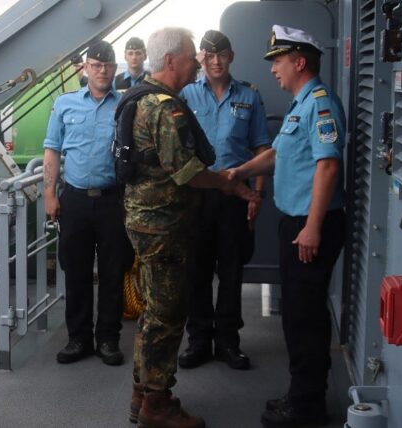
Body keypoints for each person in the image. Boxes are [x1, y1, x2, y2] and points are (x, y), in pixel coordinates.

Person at [122, 27, 260, 427]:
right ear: (171, 61)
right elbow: (188, 173)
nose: (196, 63)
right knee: (166, 316)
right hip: (165, 227)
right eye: (190, 56)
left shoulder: (137, 96)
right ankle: (158, 405)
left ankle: (140, 390)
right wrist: (229, 185)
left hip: (143, 221)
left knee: (151, 312)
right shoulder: (166, 107)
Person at [228, 25, 346, 428]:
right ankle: (302, 394)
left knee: (304, 317)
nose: (274, 69)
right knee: (297, 314)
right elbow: (278, 155)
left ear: (299, 61)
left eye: (278, 61)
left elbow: (328, 165)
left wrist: (312, 227)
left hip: (310, 225)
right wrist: (240, 171)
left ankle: (308, 406)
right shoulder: (300, 105)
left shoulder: (320, 103)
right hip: (294, 222)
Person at [178, 29, 270, 371]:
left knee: (232, 271)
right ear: (202, 58)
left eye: (222, 55)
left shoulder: (249, 96)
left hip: (235, 197)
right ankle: (199, 340)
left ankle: (229, 341)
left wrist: (258, 195)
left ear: (231, 56)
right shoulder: (186, 95)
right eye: (209, 55)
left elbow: (262, 149)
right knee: (196, 271)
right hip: (197, 196)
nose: (215, 62)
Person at [43, 40, 130, 366]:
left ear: (115, 68)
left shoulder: (124, 105)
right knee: (75, 271)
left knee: (112, 271)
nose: (102, 70)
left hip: (112, 201)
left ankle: (107, 339)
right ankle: (78, 338)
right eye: (96, 65)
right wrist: (50, 194)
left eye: (107, 65)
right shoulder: (65, 104)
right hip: (75, 200)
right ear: (86, 68)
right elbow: (52, 150)